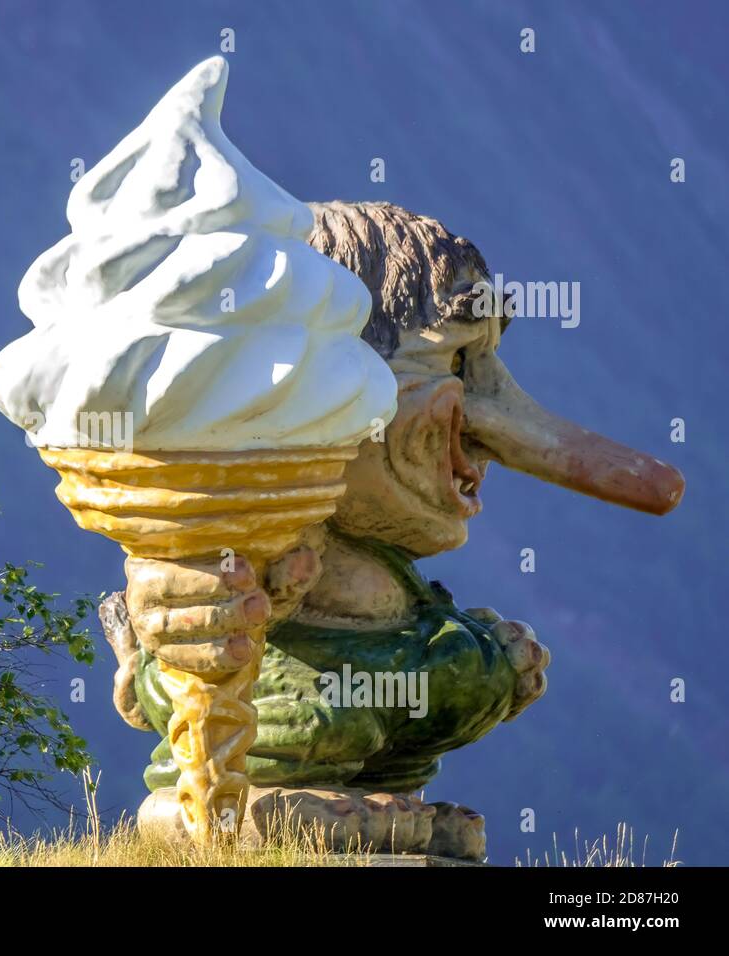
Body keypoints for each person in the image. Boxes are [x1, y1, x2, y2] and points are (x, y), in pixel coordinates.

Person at [102, 201, 684, 858]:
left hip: (390, 679)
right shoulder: (246, 528)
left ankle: (377, 794)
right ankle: (227, 808)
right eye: (459, 362)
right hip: (282, 694)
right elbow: (173, 582)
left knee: (459, 675)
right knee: (303, 710)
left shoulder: (383, 557)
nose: (493, 434)